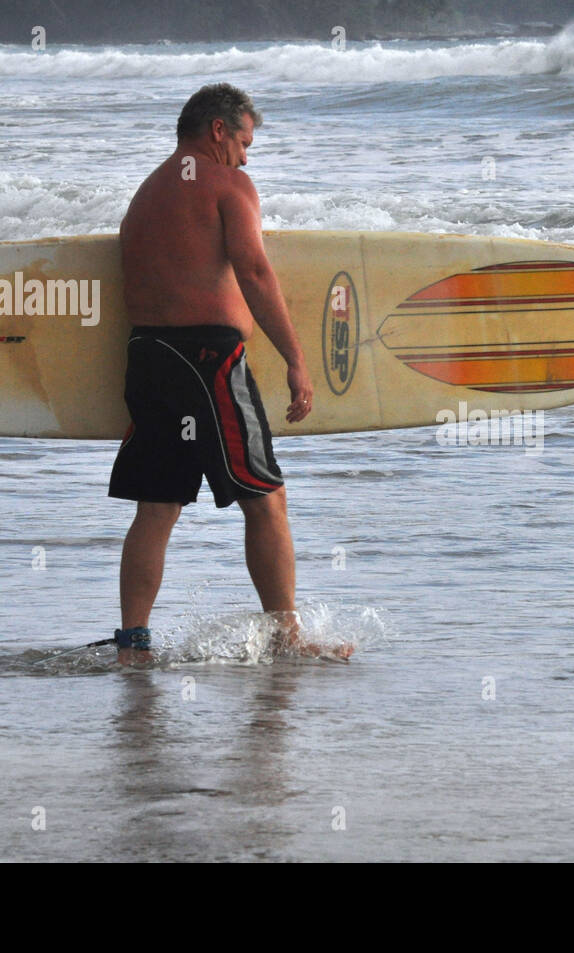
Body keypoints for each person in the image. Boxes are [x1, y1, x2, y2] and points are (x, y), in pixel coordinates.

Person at [108, 83, 350, 664]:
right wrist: (296, 360)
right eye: (244, 141)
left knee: (157, 507)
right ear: (217, 131)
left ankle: (133, 643)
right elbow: (256, 272)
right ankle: (289, 639)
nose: (247, 156)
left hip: (148, 357)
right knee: (266, 498)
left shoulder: (148, 193)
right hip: (207, 362)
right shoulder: (227, 184)